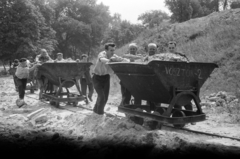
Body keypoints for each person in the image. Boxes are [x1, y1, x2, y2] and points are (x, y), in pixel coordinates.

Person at [92, 42, 129, 115]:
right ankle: (100, 113)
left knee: (105, 97)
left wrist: (127, 60)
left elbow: (121, 59)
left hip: (106, 77)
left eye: (113, 50)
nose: (113, 52)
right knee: (101, 96)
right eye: (111, 50)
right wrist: (110, 61)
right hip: (97, 77)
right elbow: (102, 59)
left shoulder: (114, 56)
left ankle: (95, 110)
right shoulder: (102, 54)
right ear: (106, 50)